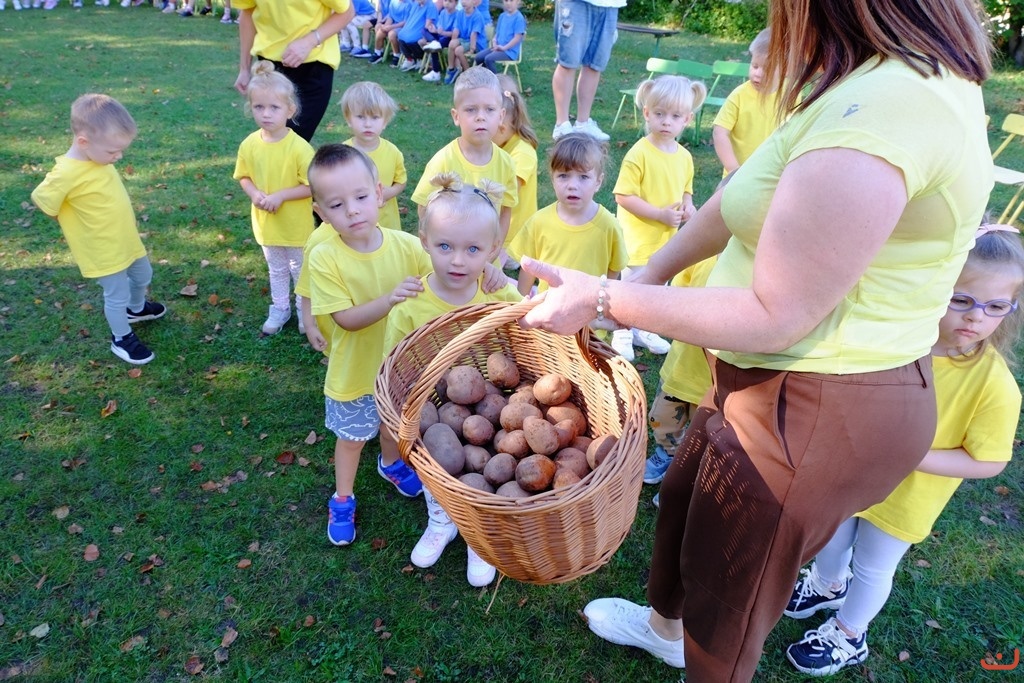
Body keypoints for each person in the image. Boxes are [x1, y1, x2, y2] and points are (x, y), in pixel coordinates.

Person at [517, 0, 993, 677]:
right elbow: (747, 192)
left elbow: (778, 312)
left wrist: (604, 299)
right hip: (762, 378)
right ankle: (663, 630)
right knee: (684, 506)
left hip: (817, 402)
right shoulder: (867, 78)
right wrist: (649, 273)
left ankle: (697, 654)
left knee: (728, 601)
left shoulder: (891, 107)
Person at [781, 226, 1024, 677]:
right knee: (830, 537)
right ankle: (827, 584)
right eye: (962, 299)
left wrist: (913, 456)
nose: (976, 317)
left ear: (1011, 309)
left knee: (873, 567)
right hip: (853, 475)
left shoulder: (995, 386)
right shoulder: (899, 343)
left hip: (907, 498)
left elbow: (990, 461)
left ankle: (850, 633)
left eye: (995, 306)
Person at [383, 172, 522, 586]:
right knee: (437, 465)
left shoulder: (497, 292)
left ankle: (479, 535)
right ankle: (441, 518)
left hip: (494, 401)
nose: (458, 260)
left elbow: (529, 320)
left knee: (479, 474)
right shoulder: (410, 305)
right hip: (432, 409)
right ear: (424, 241)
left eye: (473, 249)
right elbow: (393, 366)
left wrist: (504, 282)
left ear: (493, 249)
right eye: (445, 246)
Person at [307, 144, 432, 546]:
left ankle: (390, 463)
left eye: (361, 197)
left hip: (400, 368)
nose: (353, 211)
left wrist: (489, 275)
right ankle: (343, 498)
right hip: (356, 372)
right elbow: (346, 319)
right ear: (321, 212)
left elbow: (444, 278)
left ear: (378, 194)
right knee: (352, 439)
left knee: (393, 426)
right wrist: (390, 299)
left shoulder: (408, 246)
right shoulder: (325, 257)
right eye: (337, 205)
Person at [31, 93, 167, 365]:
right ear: (84, 142)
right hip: (101, 248)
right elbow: (41, 198)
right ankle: (122, 338)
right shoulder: (66, 173)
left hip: (125, 238)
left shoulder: (97, 157)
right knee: (116, 294)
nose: (119, 156)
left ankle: (136, 309)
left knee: (143, 274)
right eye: (112, 151)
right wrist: (72, 224)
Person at [610, 75, 706, 363]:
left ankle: (644, 329)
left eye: (675, 116)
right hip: (637, 238)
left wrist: (688, 206)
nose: (666, 121)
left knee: (657, 285)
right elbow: (623, 196)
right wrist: (659, 214)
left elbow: (686, 189)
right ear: (647, 113)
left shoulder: (684, 157)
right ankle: (621, 332)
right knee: (631, 285)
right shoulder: (639, 153)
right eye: (660, 114)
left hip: (664, 239)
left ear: (687, 119)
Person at [233, 61, 315, 336]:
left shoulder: (300, 148)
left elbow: (312, 186)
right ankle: (280, 308)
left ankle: (305, 311)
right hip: (267, 224)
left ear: (290, 110)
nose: (266, 114)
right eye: (259, 107)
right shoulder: (249, 144)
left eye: (274, 107)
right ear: (251, 107)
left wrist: (281, 196)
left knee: (299, 269)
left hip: (295, 225)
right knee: (277, 269)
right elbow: (244, 176)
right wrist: (254, 193)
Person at [411, 67, 518, 247]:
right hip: (451, 255)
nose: (480, 117)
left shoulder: (506, 163)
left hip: (485, 256)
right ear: (456, 116)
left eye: (489, 109)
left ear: (501, 116)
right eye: (471, 110)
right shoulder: (443, 161)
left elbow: (506, 210)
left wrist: (495, 247)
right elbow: (423, 207)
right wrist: (440, 245)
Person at [509, 133, 626, 298]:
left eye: (583, 177)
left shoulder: (608, 225)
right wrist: (521, 302)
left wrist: (602, 298)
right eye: (563, 176)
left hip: (589, 309)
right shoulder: (539, 222)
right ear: (553, 179)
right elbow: (528, 267)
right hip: (548, 308)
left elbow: (614, 269)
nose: (572, 185)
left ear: (598, 182)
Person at [233, 0, 354, 144]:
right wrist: (244, 68)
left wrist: (309, 42)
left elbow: (347, 12)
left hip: (312, 67)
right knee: (272, 138)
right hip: (269, 68)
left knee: (291, 141)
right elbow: (247, 12)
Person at [550, 0, 625, 141]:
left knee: (594, 65)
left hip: (610, 5)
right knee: (568, 62)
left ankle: (583, 124)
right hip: (576, 3)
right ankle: (561, 125)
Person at [712, 29, 781, 177]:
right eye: (755, 66)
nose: (758, 73)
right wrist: (733, 170)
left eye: (767, 69)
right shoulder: (739, 96)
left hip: (772, 176)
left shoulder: (790, 96)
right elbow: (719, 132)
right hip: (738, 176)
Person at [341, 81, 407, 230]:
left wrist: (390, 192)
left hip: (386, 224)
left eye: (375, 117)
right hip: (354, 222)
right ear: (348, 119)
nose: (368, 124)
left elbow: (401, 181)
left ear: (385, 121)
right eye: (360, 117)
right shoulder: (342, 153)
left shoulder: (393, 152)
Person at [492, 75, 538, 256]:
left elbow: (506, 195)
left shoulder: (523, 153)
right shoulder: (499, 144)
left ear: (502, 124)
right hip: (496, 231)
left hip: (514, 241)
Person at [474, 0, 525, 74]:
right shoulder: (502, 16)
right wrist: (494, 42)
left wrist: (504, 48)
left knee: (489, 59)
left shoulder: (518, 18)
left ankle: (496, 79)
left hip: (509, 52)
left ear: (517, 1)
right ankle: (486, 76)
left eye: (511, 0)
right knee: (479, 57)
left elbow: (517, 38)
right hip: (498, 48)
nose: (508, 3)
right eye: (506, 0)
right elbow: (497, 33)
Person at [446, 0, 488, 85]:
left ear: (474, 2)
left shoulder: (477, 16)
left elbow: (474, 34)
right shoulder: (460, 13)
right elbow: (456, 30)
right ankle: (451, 69)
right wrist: (453, 42)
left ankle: (468, 74)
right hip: (464, 40)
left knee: (458, 50)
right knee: (452, 44)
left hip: (476, 43)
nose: (463, 2)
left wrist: (472, 50)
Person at [420, 0, 458, 83]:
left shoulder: (458, 15)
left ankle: (436, 72)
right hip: (440, 36)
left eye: (450, 1)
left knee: (435, 46)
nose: (447, 3)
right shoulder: (443, 12)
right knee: (424, 30)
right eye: (445, 1)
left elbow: (455, 34)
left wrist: (442, 32)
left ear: (456, 3)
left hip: (449, 38)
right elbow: (439, 27)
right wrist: (434, 29)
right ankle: (434, 42)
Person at [396, 0, 438, 72]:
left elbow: (428, 25)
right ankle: (409, 59)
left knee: (412, 39)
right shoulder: (416, 4)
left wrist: (424, 35)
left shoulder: (430, 6)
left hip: (423, 31)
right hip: (412, 29)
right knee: (401, 35)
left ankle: (420, 59)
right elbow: (410, 19)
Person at [369, 0, 408, 66]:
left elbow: (405, 22)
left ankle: (397, 55)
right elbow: (391, 16)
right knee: (381, 31)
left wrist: (391, 27)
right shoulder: (393, 2)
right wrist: (386, 26)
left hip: (402, 26)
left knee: (391, 34)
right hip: (393, 24)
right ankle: (378, 53)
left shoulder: (409, 4)